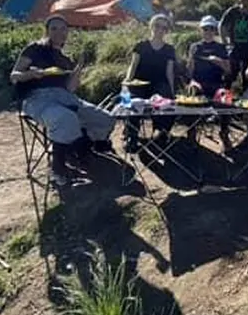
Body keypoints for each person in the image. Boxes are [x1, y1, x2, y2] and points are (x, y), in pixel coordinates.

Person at [10, 14, 115, 186]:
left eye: (63, 29)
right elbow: (14, 76)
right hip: (37, 98)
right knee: (65, 118)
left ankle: (79, 149)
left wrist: (79, 67)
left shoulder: (65, 59)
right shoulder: (35, 48)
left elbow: (71, 88)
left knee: (106, 119)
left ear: (68, 32)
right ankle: (58, 170)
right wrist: (32, 73)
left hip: (65, 96)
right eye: (54, 29)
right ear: (47, 31)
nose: (59, 32)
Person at [123, 14, 177, 149]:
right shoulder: (140, 46)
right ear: (151, 27)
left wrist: (172, 91)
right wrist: (127, 81)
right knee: (132, 101)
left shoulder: (169, 49)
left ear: (167, 31)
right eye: (157, 26)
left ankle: (161, 132)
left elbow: (169, 72)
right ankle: (132, 135)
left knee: (167, 100)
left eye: (164, 28)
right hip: (140, 82)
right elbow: (133, 65)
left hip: (159, 83)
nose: (160, 30)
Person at [186, 15, 233, 151]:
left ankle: (224, 133)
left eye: (211, 28)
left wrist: (219, 61)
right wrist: (191, 58)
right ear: (201, 30)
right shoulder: (195, 47)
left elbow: (229, 71)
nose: (208, 31)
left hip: (216, 84)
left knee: (226, 96)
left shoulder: (221, 48)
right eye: (205, 29)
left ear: (215, 31)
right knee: (193, 92)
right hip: (198, 82)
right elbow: (189, 73)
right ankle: (192, 131)